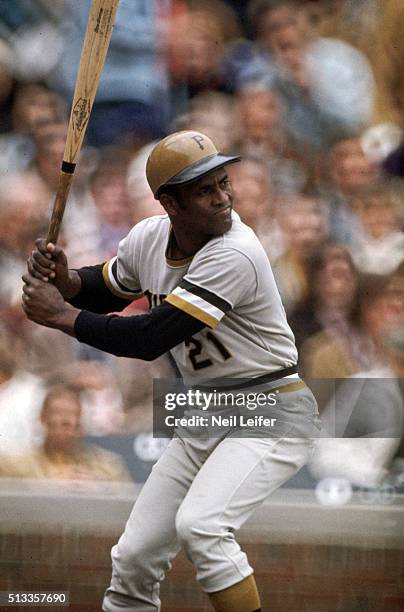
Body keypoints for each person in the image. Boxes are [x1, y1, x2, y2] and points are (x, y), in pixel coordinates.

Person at [22, 130, 319, 612]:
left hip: (271, 406)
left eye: (224, 183)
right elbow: (104, 286)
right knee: (135, 556)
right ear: (170, 203)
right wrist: (67, 280)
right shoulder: (149, 237)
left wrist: (59, 314)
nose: (223, 197)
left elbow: (149, 338)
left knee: (203, 527)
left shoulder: (235, 250)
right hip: (207, 412)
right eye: (205, 190)